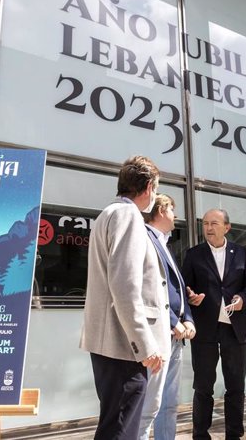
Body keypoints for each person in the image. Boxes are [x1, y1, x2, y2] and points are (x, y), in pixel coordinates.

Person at [80, 155, 170, 440]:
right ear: (148, 187)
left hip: (111, 345)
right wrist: (145, 345)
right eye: (155, 189)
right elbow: (125, 286)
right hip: (123, 347)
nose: (154, 195)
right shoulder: (128, 215)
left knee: (114, 427)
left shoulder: (108, 213)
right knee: (120, 430)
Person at [182, 208, 246, 440]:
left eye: (214, 223)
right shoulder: (193, 254)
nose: (208, 227)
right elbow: (184, 288)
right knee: (203, 387)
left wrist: (242, 300)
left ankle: (234, 435)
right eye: (205, 223)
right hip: (204, 330)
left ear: (227, 227)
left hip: (235, 329)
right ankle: (200, 435)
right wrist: (191, 297)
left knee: (236, 387)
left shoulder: (242, 253)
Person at [139, 194, 196, 440]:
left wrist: (188, 319)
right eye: (173, 210)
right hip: (158, 335)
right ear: (161, 210)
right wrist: (174, 322)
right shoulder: (143, 238)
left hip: (175, 337)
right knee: (148, 407)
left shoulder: (165, 243)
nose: (176, 216)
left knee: (169, 405)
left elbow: (177, 290)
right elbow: (145, 288)